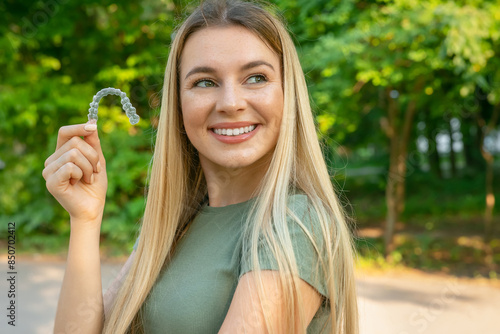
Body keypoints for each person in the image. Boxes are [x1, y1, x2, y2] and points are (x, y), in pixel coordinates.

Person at [42, 0, 359, 333]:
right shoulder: (172, 224)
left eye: (255, 77)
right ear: (178, 105)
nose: (231, 103)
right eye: (205, 82)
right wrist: (85, 219)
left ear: (287, 94)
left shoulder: (294, 224)